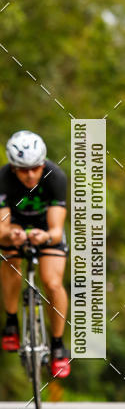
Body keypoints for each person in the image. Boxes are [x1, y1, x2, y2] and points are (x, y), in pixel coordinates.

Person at [0, 131, 70, 378]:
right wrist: (12, 235)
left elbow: (56, 230)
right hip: (14, 227)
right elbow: (1, 228)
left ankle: (58, 346)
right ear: (13, 168)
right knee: (11, 261)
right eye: (23, 170)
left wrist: (45, 236)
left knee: (52, 283)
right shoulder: (2, 179)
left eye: (35, 168)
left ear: (43, 164)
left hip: (45, 228)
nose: (30, 175)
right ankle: (11, 322)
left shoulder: (55, 177)